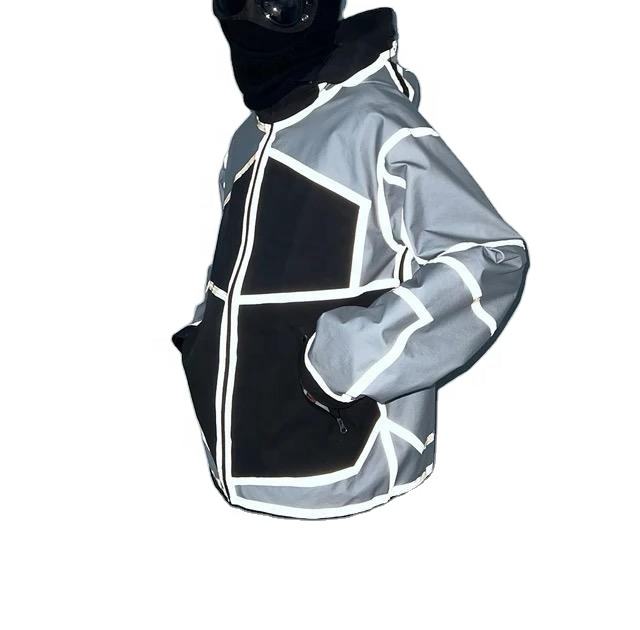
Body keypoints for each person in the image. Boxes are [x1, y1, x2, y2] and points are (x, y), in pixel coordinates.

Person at [173, 0, 529, 519]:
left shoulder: (375, 125)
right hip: (232, 463)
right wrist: (202, 337)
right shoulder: (247, 138)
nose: (250, 23)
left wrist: (345, 362)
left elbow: (488, 257)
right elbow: (239, 264)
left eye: (279, 7)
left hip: (354, 475)